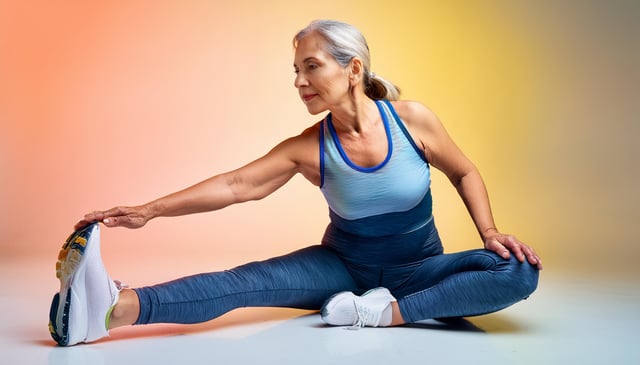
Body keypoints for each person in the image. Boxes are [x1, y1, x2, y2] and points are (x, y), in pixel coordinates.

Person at [49, 19, 541, 346]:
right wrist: (148, 210)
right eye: (296, 70)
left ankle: (384, 314)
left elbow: (463, 171)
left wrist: (491, 233)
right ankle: (108, 310)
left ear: (353, 69)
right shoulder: (307, 148)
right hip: (342, 269)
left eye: (312, 67)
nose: (300, 81)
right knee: (242, 284)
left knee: (519, 271)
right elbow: (236, 185)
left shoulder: (412, 121)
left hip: (420, 269)